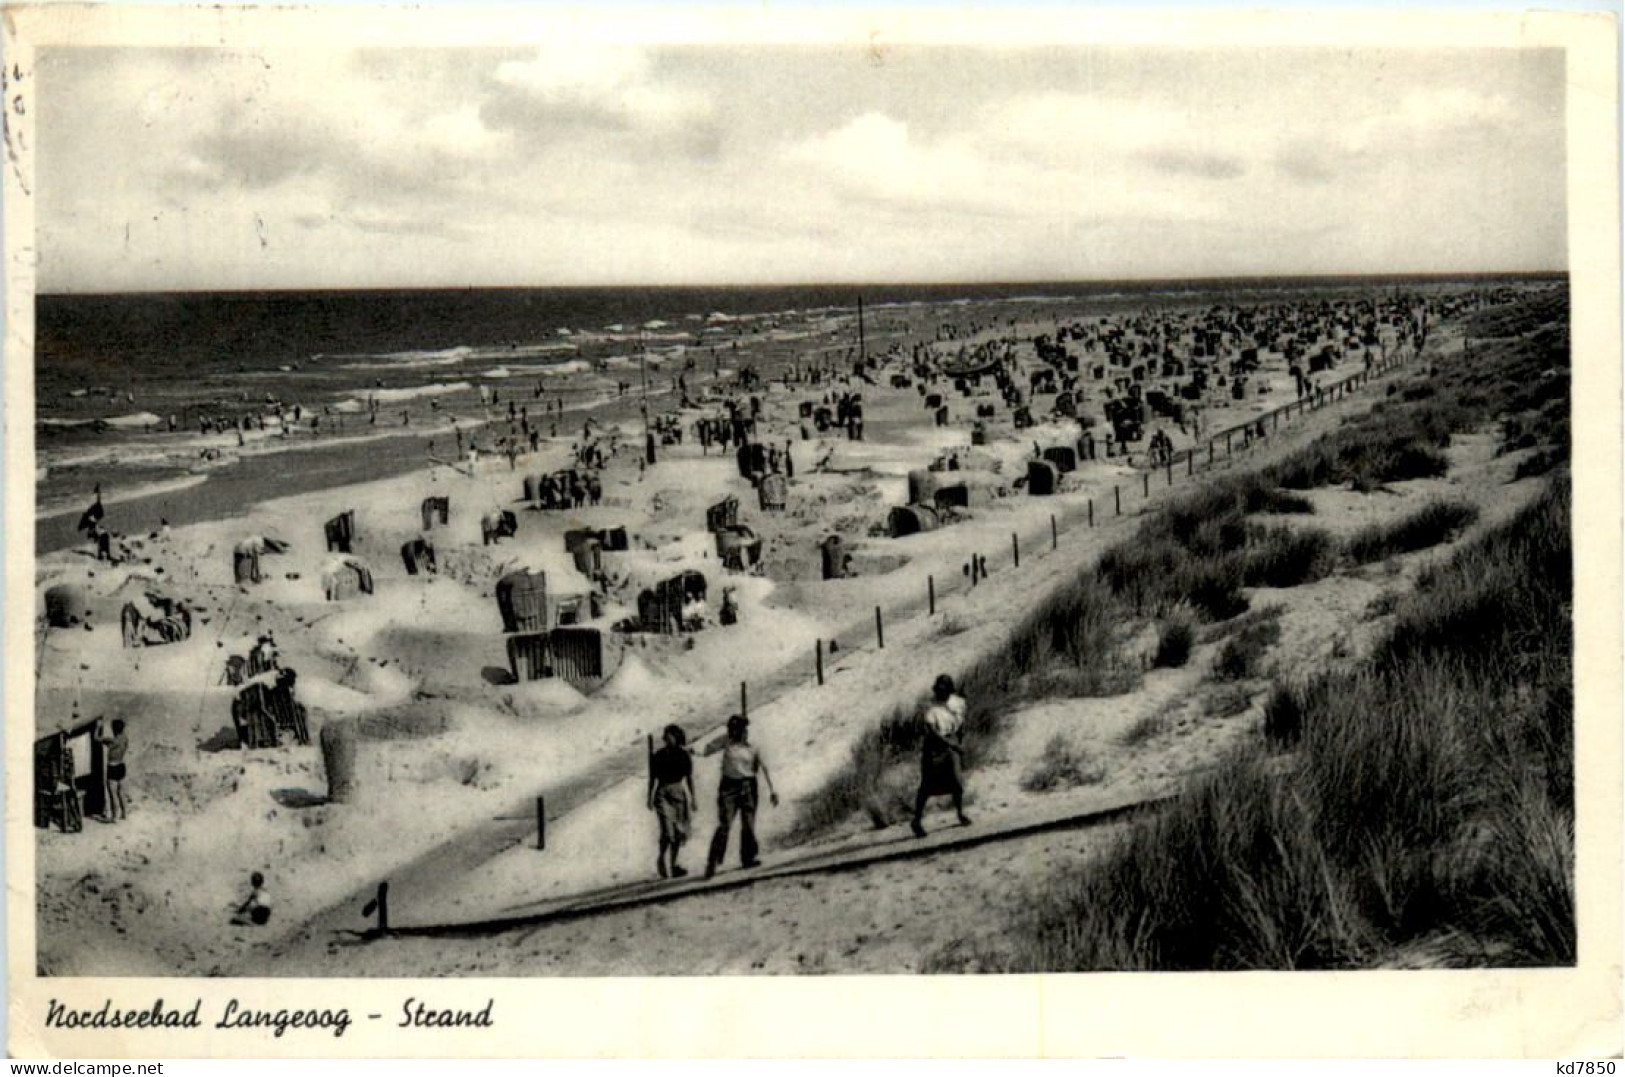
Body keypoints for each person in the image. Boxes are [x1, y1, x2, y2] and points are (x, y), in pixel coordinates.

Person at [704, 715, 778, 878]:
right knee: (725, 824)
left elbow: (764, 767)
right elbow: (706, 750)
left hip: (748, 787)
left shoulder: (753, 746)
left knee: (748, 824)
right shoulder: (726, 741)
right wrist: (690, 750)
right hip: (728, 787)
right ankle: (713, 861)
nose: (734, 733)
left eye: (737, 730)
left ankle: (748, 858)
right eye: (732, 730)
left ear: (744, 730)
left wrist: (773, 790)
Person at [911, 674, 971, 838]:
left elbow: (961, 723)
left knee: (957, 781)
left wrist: (959, 740)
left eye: (944, 690)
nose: (940, 693)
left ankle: (960, 813)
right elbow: (932, 731)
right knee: (926, 787)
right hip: (934, 747)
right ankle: (916, 820)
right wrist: (951, 743)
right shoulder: (930, 707)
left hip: (951, 743)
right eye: (938, 690)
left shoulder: (957, 703)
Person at [647, 725, 697, 879]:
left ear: (676, 737)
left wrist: (694, 797)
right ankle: (661, 858)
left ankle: (673, 865)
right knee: (667, 832)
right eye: (666, 736)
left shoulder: (684, 755)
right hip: (662, 793)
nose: (667, 739)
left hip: (678, 793)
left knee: (678, 832)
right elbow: (652, 779)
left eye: (670, 736)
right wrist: (649, 797)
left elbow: (689, 778)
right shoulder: (658, 756)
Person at [97, 717, 129, 823]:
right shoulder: (124, 738)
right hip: (121, 765)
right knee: (121, 792)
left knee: (113, 793)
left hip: (112, 767)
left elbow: (96, 738)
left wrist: (98, 727)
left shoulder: (111, 741)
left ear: (114, 729)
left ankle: (115, 816)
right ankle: (124, 813)